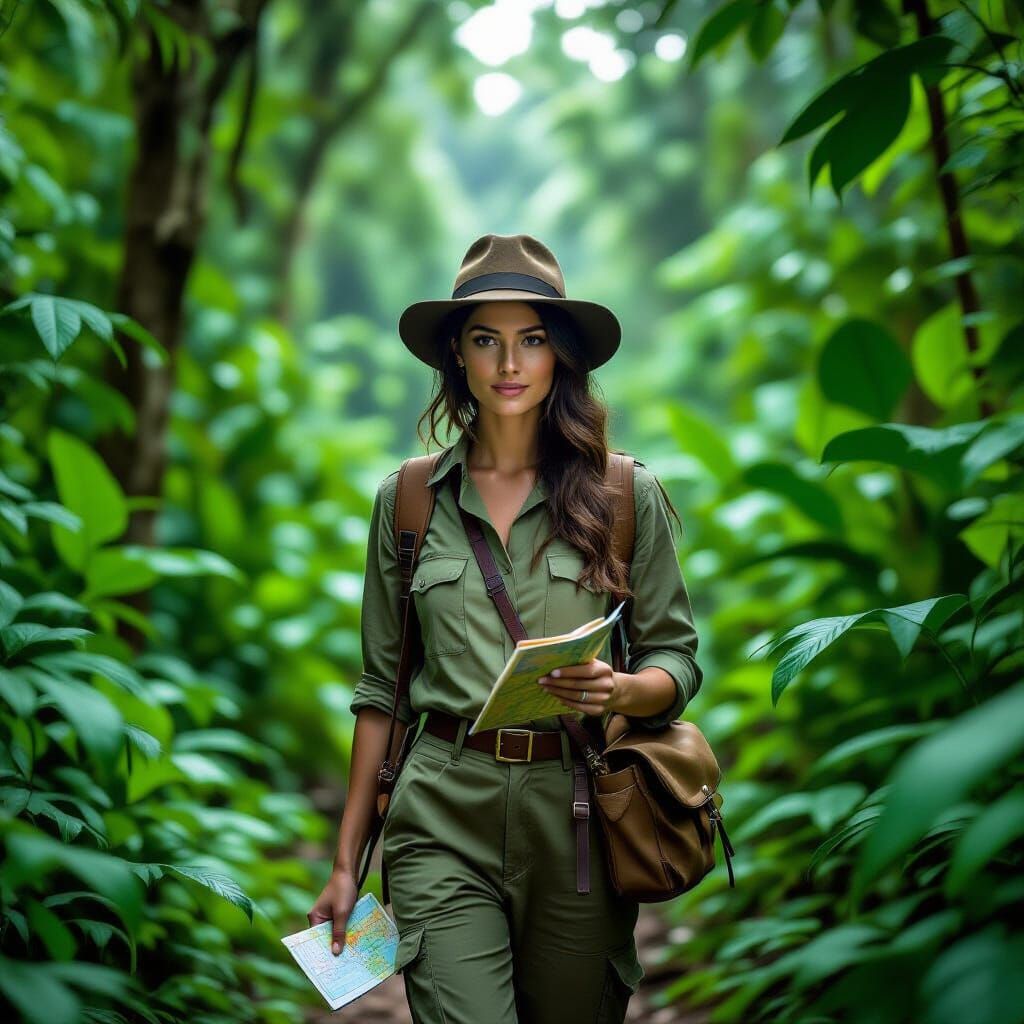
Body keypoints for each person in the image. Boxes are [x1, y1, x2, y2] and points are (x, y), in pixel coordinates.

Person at [308, 233, 703, 1024]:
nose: (509, 364)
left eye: (531, 340)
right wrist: (347, 862)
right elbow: (379, 692)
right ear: (457, 354)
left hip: (582, 815)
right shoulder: (410, 501)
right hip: (441, 812)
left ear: (560, 355)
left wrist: (621, 687)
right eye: (486, 340)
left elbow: (676, 659)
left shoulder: (625, 495)